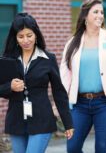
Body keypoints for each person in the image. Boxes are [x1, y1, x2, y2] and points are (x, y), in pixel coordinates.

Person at [0, 13, 73, 153]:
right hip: (16, 120)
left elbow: (59, 92)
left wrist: (68, 123)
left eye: (29, 35)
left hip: (42, 119)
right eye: (20, 36)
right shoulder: (8, 60)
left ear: (36, 35)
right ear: (15, 38)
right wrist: (10, 87)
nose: (25, 40)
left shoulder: (48, 59)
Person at [60, 0, 106, 153]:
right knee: (72, 147)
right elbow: (65, 74)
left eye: (102, 12)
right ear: (85, 16)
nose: (100, 15)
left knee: (102, 148)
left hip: (105, 103)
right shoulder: (72, 42)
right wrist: (61, 101)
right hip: (79, 104)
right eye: (95, 12)